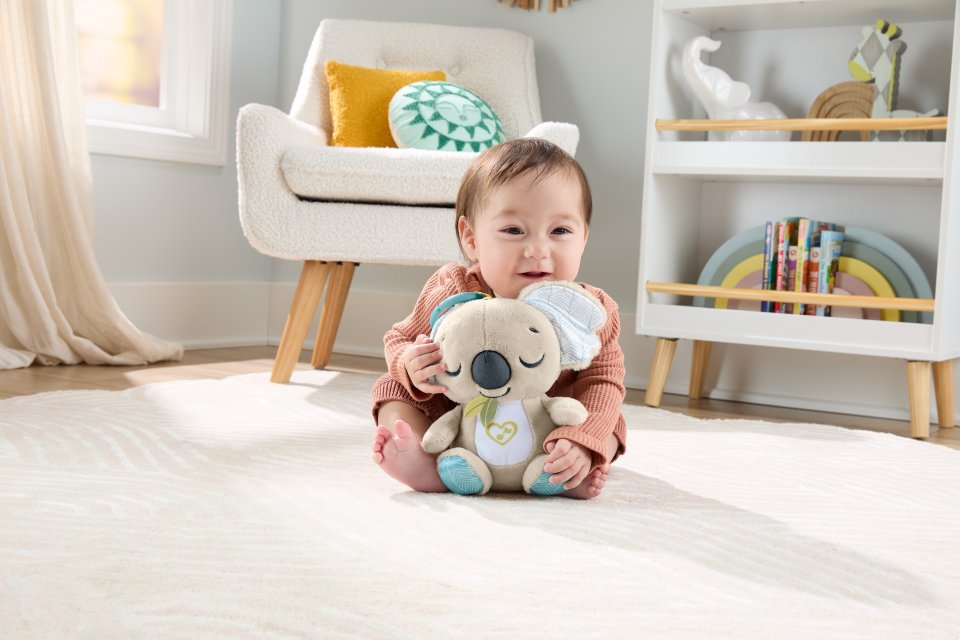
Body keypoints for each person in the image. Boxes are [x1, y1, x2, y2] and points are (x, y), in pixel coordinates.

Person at [371, 137, 626, 499]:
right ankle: (425, 460)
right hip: (459, 425)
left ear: (583, 238)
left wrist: (584, 439)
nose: (537, 250)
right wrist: (410, 364)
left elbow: (604, 380)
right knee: (392, 389)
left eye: (560, 231)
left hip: (549, 427)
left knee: (608, 420)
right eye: (513, 231)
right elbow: (399, 338)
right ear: (472, 239)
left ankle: (571, 465)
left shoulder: (589, 311)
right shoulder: (455, 289)